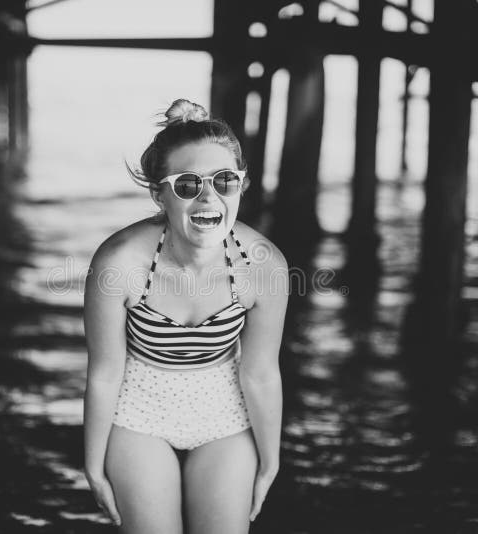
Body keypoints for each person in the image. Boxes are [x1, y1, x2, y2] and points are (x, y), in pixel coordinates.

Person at [83, 99, 289, 534]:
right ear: (159, 195)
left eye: (224, 181)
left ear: (242, 185)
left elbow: (261, 373)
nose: (209, 196)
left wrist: (271, 461)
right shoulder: (118, 263)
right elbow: (105, 373)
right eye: (188, 184)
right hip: (139, 413)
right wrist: (93, 465)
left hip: (224, 413)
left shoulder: (264, 266)